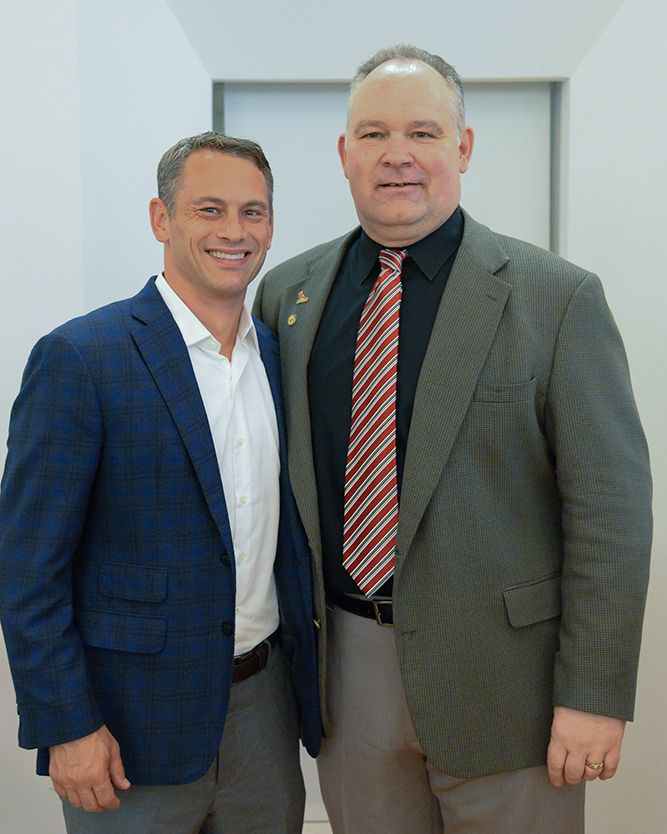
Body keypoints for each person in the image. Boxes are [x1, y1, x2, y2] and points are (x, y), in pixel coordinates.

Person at [252, 46, 652, 833]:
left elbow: (611, 512)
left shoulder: (556, 299)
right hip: (346, 679)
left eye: (422, 132)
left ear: (462, 147)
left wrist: (593, 697)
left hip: (510, 690)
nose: (396, 154)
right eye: (372, 133)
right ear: (344, 155)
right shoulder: (286, 294)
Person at [0, 131, 321, 834]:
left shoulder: (280, 356)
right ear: (160, 218)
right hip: (125, 727)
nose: (234, 232)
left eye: (253, 212)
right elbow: (27, 568)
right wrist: (66, 724)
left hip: (264, 717)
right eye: (209, 209)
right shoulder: (82, 358)